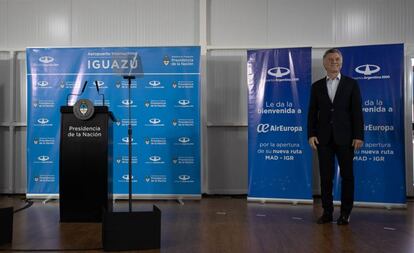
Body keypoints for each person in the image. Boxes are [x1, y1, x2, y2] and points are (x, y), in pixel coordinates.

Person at [307, 48, 364, 225]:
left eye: (337, 59)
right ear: (324, 63)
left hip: (346, 139)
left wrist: (358, 136)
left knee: (347, 176)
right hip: (323, 139)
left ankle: (345, 213)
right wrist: (311, 134)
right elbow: (312, 113)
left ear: (342, 62)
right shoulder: (316, 86)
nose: (334, 62)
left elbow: (357, 112)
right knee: (325, 177)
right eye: (331, 59)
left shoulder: (351, 84)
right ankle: (327, 212)